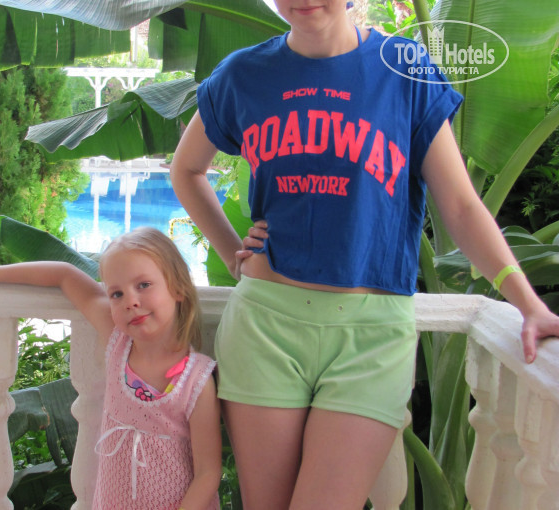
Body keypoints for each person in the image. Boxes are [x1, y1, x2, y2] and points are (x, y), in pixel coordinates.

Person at [169, 1, 559, 509]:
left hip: (372, 338)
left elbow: (462, 207)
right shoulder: (244, 73)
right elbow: (186, 170)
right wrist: (232, 252)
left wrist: (527, 302)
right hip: (265, 327)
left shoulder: (405, 69)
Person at [0, 227, 222, 510]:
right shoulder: (118, 344)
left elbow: (208, 473)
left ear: (177, 287)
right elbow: (64, 275)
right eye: (117, 293)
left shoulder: (196, 381)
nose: (131, 301)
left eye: (143, 285)